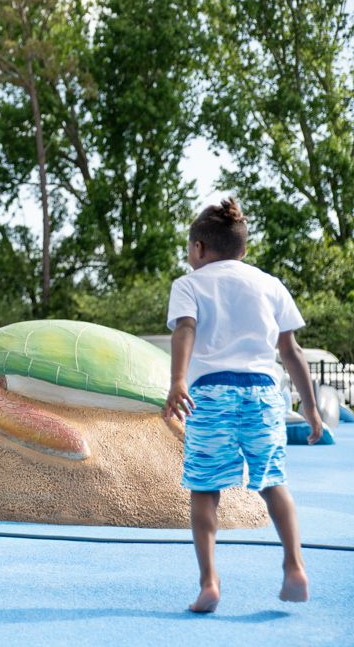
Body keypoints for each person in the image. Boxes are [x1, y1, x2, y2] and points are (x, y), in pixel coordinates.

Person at [165, 197, 323, 613]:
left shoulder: (189, 284)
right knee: (273, 482)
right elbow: (291, 351)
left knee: (204, 488)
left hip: (212, 394)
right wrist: (310, 407)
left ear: (198, 248)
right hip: (263, 393)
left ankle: (210, 583)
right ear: (244, 249)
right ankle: (295, 566)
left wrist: (178, 379)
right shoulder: (270, 284)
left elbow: (185, 328)